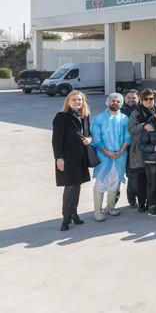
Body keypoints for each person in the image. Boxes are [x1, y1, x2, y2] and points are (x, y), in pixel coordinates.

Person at [52, 91, 92, 230]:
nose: (77, 102)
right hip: (68, 158)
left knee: (77, 185)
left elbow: (89, 133)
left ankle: (74, 213)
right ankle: (66, 218)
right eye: (74, 100)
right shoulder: (62, 117)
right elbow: (56, 139)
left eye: (79, 100)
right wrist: (59, 158)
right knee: (70, 186)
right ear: (68, 102)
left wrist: (89, 139)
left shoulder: (84, 116)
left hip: (81, 157)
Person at [90, 93, 132, 222]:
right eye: (113, 101)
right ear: (108, 102)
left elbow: (127, 136)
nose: (116, 103)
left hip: (119, 156)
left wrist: (121, 151)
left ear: (121, 104)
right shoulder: (99, 119)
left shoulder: (125, 119)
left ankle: (110, 207)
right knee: (101, 182)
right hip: (103, 156)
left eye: (118, 101)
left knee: (115, 181)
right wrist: (106, 151)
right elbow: (96, 138)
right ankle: (97, 211)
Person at [129, 88, 156, 207]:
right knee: (142, 179)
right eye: (145, 99)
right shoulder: (136, 113)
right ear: (141, 100)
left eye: (151, 98)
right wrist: (143, 126)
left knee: (154, 179)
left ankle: (152, 202)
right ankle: (141, 203)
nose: (148, 101)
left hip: (153, 149)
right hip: (139, 151)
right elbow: (131, 129)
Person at [121, 89, 140, 208]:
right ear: (124, 98)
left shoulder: (142, 110)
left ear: (138, 99)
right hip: (122, 148)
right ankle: (131, 198)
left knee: (136, 174)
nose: (131, 100)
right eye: (129, 97)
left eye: (134, 98)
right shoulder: (119, 111)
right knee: (130, 175)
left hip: (138, 147)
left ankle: (138, 197)